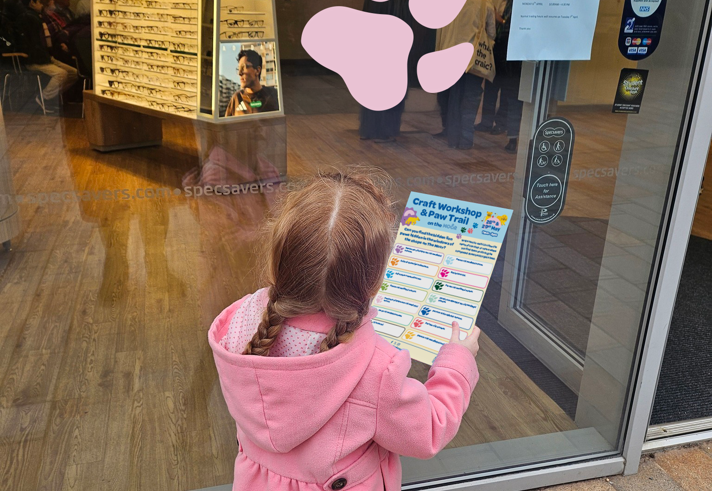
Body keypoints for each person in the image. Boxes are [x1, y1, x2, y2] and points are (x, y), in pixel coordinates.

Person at [208, 170, 482, 491]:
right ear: (376, 283)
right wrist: (457, 363)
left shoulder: (240, 325)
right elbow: (429, 430)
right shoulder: (377, 369)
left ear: (273, 265)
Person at [434, 0, 497, 149]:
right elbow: (492, 33)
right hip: (472, 60)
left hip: (448, 57)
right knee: (471, 98)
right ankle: (466, 139)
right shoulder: (484, 4)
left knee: (449, 96)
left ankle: (450, 132)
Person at [474, 0, 523, 154]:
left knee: (510, 95)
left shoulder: (518, 4)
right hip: (499, 51)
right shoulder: (506, 3)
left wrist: (498, 18)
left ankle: (508, 131)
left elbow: (511, 27)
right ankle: (490, 123)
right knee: (493, 88)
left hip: (511, 54)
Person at [18, 0, 78, 112]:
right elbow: (37, 42)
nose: (42, 5)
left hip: (44, 56)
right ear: (32, 3)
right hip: (35, 59)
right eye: (40, 3)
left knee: (73, 73)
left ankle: (50, 97)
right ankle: (43, 98)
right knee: (61, 74)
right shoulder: (31, 19)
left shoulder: (39, 17)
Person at [224, 49, 279, 116]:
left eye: (244, 67)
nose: (239, 73)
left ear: (257, 71)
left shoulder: (274, 95)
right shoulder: (236, 98)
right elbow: (226, 125)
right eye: (238, 69)